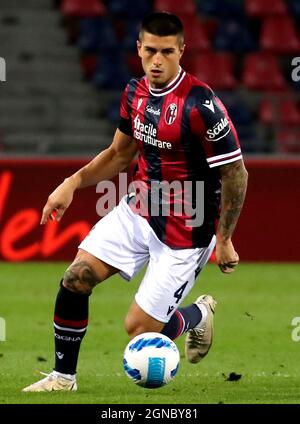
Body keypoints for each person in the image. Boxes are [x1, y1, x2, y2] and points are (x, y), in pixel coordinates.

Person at [23, 12, 248, 392]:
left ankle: (197, 314)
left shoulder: (201, 105)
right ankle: (63, 378)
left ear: (181, 51)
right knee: (76, 278)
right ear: (138, 49)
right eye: (150, 51)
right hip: (140, 207)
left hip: (187, 228)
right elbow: (118, 155)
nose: (157, 61)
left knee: (139, 331)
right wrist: (72, 183)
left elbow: (236, 175)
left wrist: (223, 239)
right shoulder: (134, 93)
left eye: (166, 52)